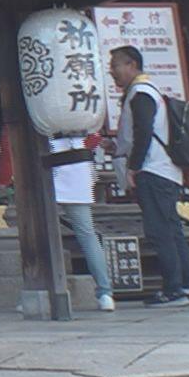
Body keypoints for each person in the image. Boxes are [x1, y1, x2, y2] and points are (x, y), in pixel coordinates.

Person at [111, 45, 189, 307]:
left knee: (160, 231)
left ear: (132, 65)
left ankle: (174, 289)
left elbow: (144, 133)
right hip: (165, 171)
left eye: (116, 64)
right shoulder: (148, 92)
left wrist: (133, 168)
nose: (112, 71)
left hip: (153, 170)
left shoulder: (141, 94)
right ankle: (187, 286)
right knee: (172, 229)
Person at [48, 133, 115, 312]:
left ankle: (43, 290)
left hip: (47, 164)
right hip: (77, 166)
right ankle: (105, 293)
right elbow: (94, 137)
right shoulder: (79, 110)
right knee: (87, 234)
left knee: (44, 232)